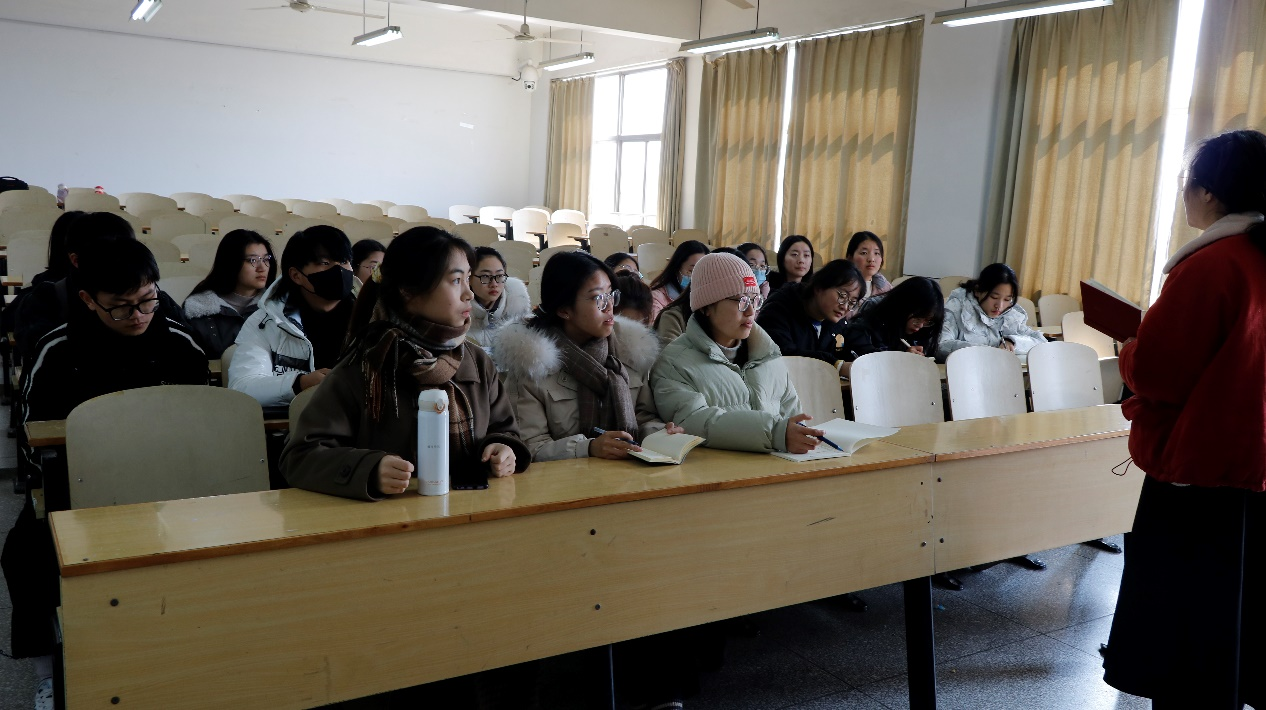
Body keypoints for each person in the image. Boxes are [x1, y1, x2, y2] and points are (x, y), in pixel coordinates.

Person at [3, 237, 207, 710]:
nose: (138, 315)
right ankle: (49, 672)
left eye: (148, 300)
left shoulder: (180, 344)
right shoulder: (57, 350)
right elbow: (31, 438)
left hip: (174, 490)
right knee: (26, 552)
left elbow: (203, 425)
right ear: (88, 299)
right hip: (83, 492)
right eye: (121, 306)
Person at [1103, 129, 1266, 709]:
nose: (1183, 193)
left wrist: (1130, 348)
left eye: (1186, 182)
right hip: (1254, 466)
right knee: (1233, 622)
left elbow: (1159, 373)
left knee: (1183, 636)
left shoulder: (1212, 264)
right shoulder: (1259, 256)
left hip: (1199, 475)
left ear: (1210, 192)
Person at [282, 225, 530, 498]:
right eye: (456, 280)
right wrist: (368, 470)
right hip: (394, 516)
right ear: (409, 291)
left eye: (468, 279)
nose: (469, 293)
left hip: (471, 509)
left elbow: (504, 430)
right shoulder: (365, 365)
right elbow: (300, 457)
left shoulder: (476, 360)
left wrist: (503, 448)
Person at [489, 251, 679, 462]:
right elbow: (529, 447)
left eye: (610, 294)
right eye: (598, 298)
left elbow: (643, 417)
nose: (610, 307)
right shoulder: (531, 365)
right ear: (564, 309)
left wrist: (660, 433)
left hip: (629, 473)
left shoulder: (629, 350)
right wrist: (588, 448)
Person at [651, 253, 820, 455]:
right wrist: (774, 433)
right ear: (706, 307)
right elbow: (696, 422)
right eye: (741, 301)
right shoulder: (675, 363)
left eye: (755, 300)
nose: (750, 311)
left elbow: (793, 417)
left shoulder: (768, 356)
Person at [14, 212, 185, 367]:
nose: (120, 262)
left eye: (127, 250)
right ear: (76, 260)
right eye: (104, 256)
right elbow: (37, 353)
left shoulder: (155, 300)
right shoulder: (47, 300)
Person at [228, 225, 356, 408]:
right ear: (296, 275)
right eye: (325, 263)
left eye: (344, 261)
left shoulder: (374, 317)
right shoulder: (266, 323)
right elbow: (243, 387)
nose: (339, 270)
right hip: (295, 422)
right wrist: (299, 384)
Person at [757, 260, 865, 375]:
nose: (845, 307)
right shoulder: (779, 308)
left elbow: (857, 345)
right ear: (819, 287)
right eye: (842, 296)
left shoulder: (837, 320)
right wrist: (837, 365)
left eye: (852, 302)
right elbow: (782, 355)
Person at [182, 229, 277, 358]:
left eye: (266, 259)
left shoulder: (277, 306)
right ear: (231, 263)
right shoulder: (198, 309)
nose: (263, 268)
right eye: (253, 260)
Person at [936, 263, 1046, 361]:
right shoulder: (958, 307)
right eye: (994, 297)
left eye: (1007, 299)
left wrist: (1012, 341)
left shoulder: (1011, 314)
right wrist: (987, 350)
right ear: (978, 290)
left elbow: (1041, 342)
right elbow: (941, 346)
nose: (1000, 306)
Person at [844, 276, 944, 358]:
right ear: (902, 307)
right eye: (917, 319)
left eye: (927, 321)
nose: (920, 326)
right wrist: (900, 357)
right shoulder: (874, 315)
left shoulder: (925, 330)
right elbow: (864, 354)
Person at [467, 246, 530, 347]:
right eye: (485, 276)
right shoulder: (456, 313)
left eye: (499, 276)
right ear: (469, 278)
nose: (494, 284)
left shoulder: (518, 312)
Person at [648, 240, 708, 322]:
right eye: (691, 271)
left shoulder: (709, 296)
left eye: (703, 271)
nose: (697, 277)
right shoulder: (656, 297)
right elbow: (657, 325)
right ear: (676, 268)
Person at [846, 231, 892, 300]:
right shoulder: (840, 287)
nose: (871, 259)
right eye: (864, 253)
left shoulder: (886, 289)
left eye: (876, 253)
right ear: (850, 258)